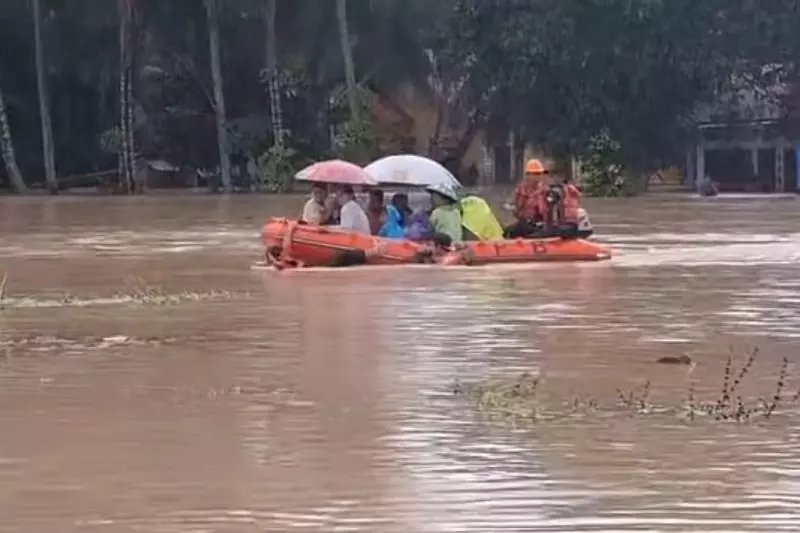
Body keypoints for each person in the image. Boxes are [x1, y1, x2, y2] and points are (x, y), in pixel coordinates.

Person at [504, 158, 550, 238]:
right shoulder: (521, 190)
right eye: (535, 174)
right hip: (524, 223)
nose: (537, 177)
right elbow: (512, 205)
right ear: (528, 175)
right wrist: (512, 208)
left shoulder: (545, 190)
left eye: (539, 174)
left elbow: (547, 211)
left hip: (540, 225)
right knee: (507, 232)